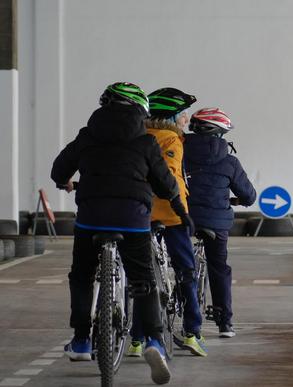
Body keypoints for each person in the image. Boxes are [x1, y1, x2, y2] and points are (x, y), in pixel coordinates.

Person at [51, 82, 192, 385]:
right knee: (144, 280)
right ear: (140, 110)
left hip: (91, 217)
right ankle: (154, 341)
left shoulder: (87, 135)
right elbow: (166, 183)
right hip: (133, 218)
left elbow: (58, 169)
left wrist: (64, 181)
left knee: (81, 276)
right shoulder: (145, 141)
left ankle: (80, 340)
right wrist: (181, 212)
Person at [126, 87, 208, 357]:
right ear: (170, 117)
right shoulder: (170, 140)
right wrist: (182, 212)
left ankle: (137, 339)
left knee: (143, 278)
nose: (186, 120)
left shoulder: (137, 136)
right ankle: (193, 332)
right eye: (182, 115)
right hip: (171, 215)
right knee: (186, 271)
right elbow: (170, 177)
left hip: (139, 214)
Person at [184, 107, 257, 338]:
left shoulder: (180, 153)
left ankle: (184, 316)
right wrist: (238, 200)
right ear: (220, 134)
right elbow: (249, 195)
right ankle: (225, 323)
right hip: (216, 223)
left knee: (182, 267)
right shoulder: (229, 162)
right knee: (219, 268)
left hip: (184, 219)